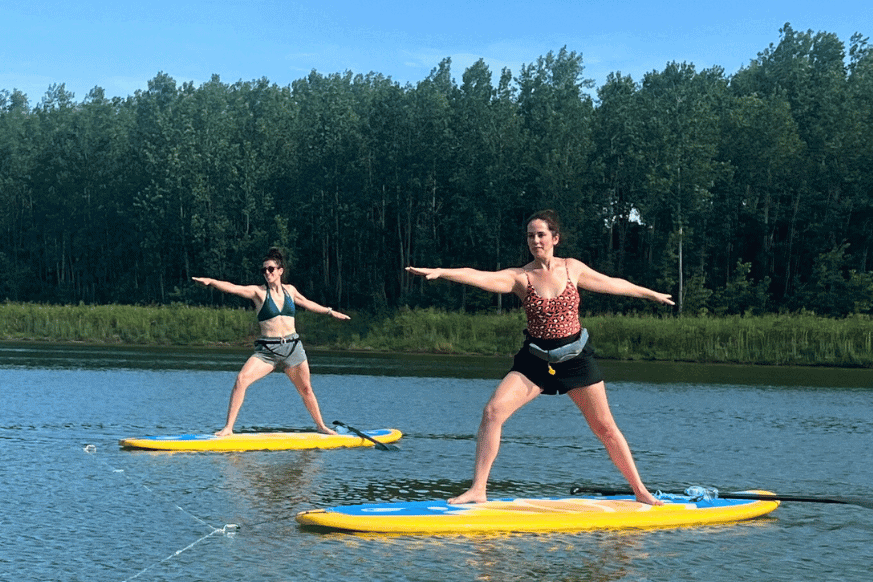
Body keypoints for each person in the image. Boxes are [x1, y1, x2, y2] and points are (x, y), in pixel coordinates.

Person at [406, 210, 674, 505]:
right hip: (535, 361)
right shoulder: (521, 278)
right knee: (492, 412)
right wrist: (444, 272)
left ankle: (640, 491)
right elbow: (479, 275)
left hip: (576, 359)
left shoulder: (573, 269)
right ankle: (478, 489)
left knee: (605, 428)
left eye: (541, 234)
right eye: (531, 236)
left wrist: (650, 294)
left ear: (555, 238)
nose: (535, 240)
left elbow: (614, 283)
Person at [193, 247, 350, 436]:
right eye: (264, 270)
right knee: (241, 380)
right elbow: (234, 288)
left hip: (293, 348)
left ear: (280, 271)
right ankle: (228, 428)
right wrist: (211, 282)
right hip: (268, 351)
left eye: (271, 269)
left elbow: (307, 303)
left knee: (306, 389)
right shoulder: (258, 293)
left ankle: (321, 426)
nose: (267, 273)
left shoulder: (290, 290)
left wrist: (330, 311)